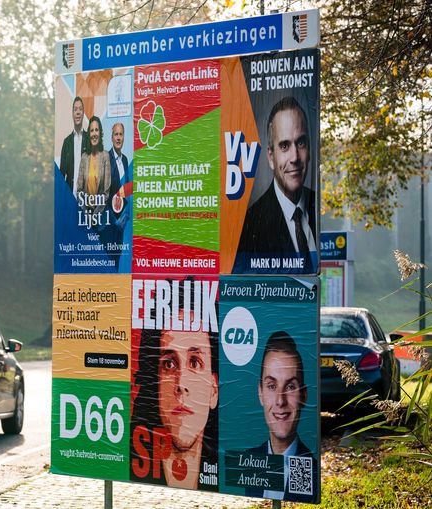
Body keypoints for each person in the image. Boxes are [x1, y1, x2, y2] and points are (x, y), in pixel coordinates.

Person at [131, 316, 219, 490]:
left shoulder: (227, 468)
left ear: (213, 390)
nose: (181, 384)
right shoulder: (128, 460)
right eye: (169, 364)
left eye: (195, 362)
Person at [234, 96, 316, 273]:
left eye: (300, 143)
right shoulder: (250, 226)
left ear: (309, 149)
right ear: (271, 157)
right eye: (285, 146)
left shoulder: (318, 207)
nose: (295, 157)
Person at [245, 331, 317, 502]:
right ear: (260, 392)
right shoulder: (250, 460)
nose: (280, 401)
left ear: (304, 396)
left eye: (290, 386)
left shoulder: (309, 469)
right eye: (271, 386)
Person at [101, 122, 130, 267]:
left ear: (124, 137)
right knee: (108, 262)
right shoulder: (105, 158)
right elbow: (103, 195)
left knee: (117, 262)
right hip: (109, 223)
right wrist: (114, 221)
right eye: (116, 134)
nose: (118, 138)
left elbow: (126, 190)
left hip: (121, 224)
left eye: (121, 134)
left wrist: (125, 215)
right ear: (111, 138)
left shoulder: (125, 160)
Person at [75, 116, 111, 216]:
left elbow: (106, 193)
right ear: (89, 134)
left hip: (101, 215)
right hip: (85, 215)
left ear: (100, 133)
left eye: (96, 130)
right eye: (91, 130)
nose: (94, 134)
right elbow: (79, 191)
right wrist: (87, 214)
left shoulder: (105, 156)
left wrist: (95, 216)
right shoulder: (84, 157)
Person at [60, 96, 88, 195]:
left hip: (87, 198)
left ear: (83, 113)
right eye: (75, 109)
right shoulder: (66, 142)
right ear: (72, 114)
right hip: (70, 196)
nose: (78, 112)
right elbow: (62, 175)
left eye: (80, 109)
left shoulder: (89, 140)